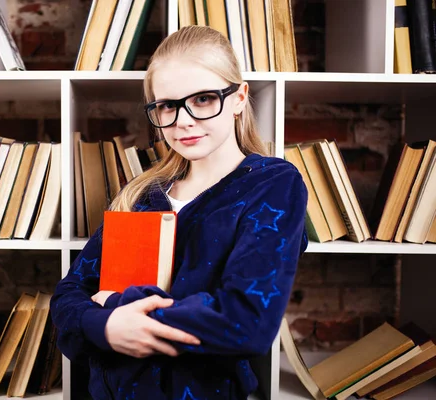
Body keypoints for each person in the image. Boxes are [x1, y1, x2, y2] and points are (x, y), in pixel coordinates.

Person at [50, 25, 308, 400]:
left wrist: (114, 308)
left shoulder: (272, 185)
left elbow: (247, 320)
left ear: (238, 98)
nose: (183, 120)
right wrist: (104, 327)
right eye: (167, 105)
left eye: (203, 99)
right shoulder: (140, 193)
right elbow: (68, 295)